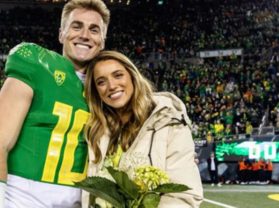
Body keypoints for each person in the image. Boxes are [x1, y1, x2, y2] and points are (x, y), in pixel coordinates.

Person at [0, 0, 110, 207]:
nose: (85, 35)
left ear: (102, 41)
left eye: (94, 30)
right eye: (76, 26)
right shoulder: (37, 64)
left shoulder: (107, 90)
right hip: (23, 199)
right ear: (61, 34)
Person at [83, 51, 203, 207]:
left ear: (132, 76)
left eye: (118, 75)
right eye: (101, 82)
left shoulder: (169, 120)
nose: (111, 86)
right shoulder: (96, 131)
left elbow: (184, 195)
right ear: (96, 91)